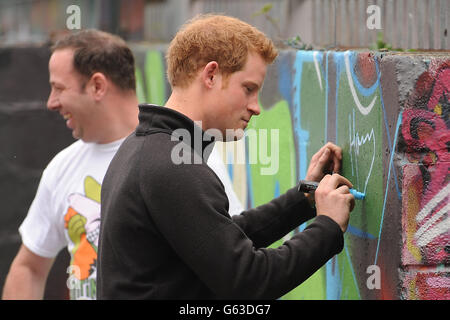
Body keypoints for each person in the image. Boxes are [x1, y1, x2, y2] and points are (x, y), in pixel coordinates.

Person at [97, 14, 355, 300]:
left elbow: (221, 237)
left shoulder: (145, 149)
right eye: (248, 89)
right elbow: (249, 280)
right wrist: (328, 226)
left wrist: (306, 195)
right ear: (210, 75)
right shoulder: (172, 168)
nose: (256, 107)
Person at [2, 29, 242, 300]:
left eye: (59, 88)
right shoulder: (62, 167)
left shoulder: (185, 154)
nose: (51, 103)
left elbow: (230, 255)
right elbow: (29, 267)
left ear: (97, 86)